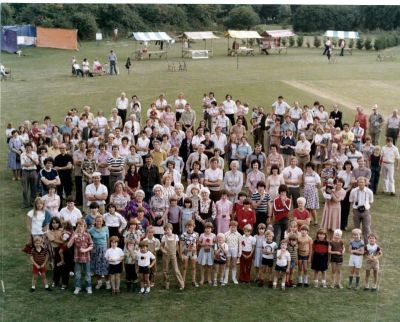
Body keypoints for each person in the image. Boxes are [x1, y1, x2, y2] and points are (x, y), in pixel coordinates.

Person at [67, 219, 93, 294]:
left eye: (81, 226)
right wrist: (72, 237)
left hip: (86, 258)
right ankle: (78, 287)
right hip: (77, 258)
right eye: (78, 226)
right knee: (78, 274)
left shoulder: (87, 235)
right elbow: (68, 246)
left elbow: (91, 245)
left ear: (84, 227)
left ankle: (88, 287)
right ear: (77, 227)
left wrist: (85, 250)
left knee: (88, 274)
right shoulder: (74, 235)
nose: (80, 227)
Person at [349, 177, 374, 243]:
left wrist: (366, 207)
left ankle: (366, 244)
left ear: (365, 183)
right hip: (356, 211)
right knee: (356, 228)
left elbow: (371, 201)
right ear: (357, 183)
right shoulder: (353, 191)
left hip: (366, 212)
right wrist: (355, 208)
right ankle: (356, 243)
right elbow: (351, 200)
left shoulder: (369, 191)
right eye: (359, 182)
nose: (361, 183)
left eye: (362, 182)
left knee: (366, 228)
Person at [88, 215, 110, 291]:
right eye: (97, 221)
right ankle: (99, 282)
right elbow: (88, 237)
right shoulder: (92, 229)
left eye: (100, 221)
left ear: (102, 222)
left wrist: (108, 250)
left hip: (104, 249)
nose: (98, 222)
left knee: (105, 267)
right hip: (95, 250)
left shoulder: (106, 228)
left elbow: (108, 240)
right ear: (95, 222)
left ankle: (107, 283)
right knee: (96, 266)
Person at [180, 220, 199, 287]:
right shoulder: (183, 235)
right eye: (188, 226)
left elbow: (197, 243)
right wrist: (181, 254)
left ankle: (193, 281)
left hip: (193, 253)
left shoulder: (196, 234)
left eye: (191, 226)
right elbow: (181, 245)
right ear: (186, 227)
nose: (189, 228)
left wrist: (195, 249)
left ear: (193, 226)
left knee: (193, 267)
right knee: (184, 267)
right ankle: (182, 282)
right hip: (185, 252)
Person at [21, 143, 39, 208]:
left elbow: (37, 163)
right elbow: (23, 164)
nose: (28, 148)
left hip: (33, 171)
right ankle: (25, 203)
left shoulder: (34, 154)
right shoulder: (22, 154)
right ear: (25, 148)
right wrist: (32, 163)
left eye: (29, 147)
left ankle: (33, 203)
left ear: (31, 147)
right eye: (27, 147)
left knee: (33, 188)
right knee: (25, 189)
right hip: (25, 172)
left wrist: (30, 157)